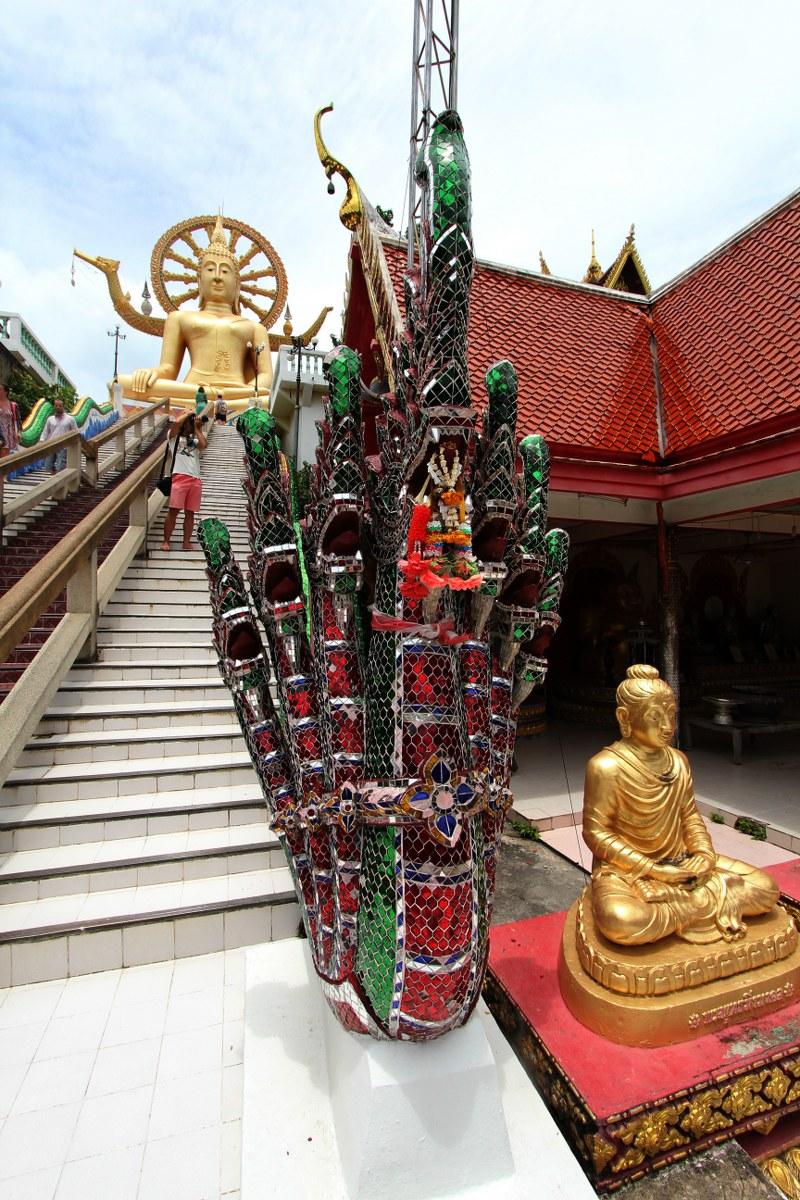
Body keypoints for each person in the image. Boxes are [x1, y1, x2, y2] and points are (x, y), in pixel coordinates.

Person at [583, 664, 778, 946]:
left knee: (766, 889)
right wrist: (653, 869)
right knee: (621, 920)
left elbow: (690, 816)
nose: (667, 726)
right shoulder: (605, 766)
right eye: (655, 716)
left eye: (672, 715)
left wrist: (704, 854)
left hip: (682, 861)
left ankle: (682, 907)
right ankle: (700, 905)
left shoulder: (678, 761)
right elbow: (597, 834)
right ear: (625, 718)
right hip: (629, 871)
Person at [116, 216, 272, 410]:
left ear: (237, 284)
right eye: (209, 269)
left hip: (237, 393)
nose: (216, 277)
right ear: (199, 279)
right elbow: (169, 369)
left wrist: (250, 392)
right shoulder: (180, 318)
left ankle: (221, 401)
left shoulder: (254, 328)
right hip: (193, 390)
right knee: (121, 383)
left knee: (266, 398)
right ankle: (217, 402)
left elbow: (266, 377)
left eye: (224, 271)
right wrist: (151, 374)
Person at [161, 411, 207, 552]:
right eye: (188, 422)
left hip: (195, 478)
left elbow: (204, 445)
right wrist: (188, 414)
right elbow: (176, 423)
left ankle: (186, 542)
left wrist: (198, 428)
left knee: (190, 513)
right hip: (179, 476)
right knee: (173, 511)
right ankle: (166, 541)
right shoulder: (173, 437)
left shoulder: (193, 440)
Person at [42, 397, 78, 473]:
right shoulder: (50, 419)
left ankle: (59, 481)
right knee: (48, 466)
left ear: (63, 407)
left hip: (63, 446)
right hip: (51, 444)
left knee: (60, 467)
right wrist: (42, 441)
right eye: (56, 405)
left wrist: (73, 443)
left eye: (60, 406)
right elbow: (45, 431)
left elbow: (76, 432)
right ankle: (55, 478)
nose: (58, 407)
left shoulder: (70, 419)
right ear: (54, 406)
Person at [0, 383, 20, 457]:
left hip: (8, 433)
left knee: (5, 457)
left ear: (6, 392)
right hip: (0, 432)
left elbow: (17, 421)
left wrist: (18, 432)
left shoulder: (13, 405)